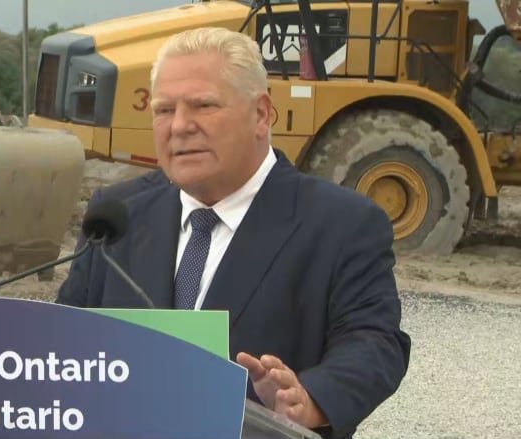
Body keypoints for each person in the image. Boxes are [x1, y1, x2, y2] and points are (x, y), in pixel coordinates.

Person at [57, 27, 410, 438]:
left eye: (203, 105)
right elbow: (66, 337)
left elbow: (375, 342)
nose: (180, 126)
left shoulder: (342, 223)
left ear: (261, 113)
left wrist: (310, 399)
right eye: (164, 110)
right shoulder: (115, 215)